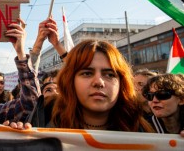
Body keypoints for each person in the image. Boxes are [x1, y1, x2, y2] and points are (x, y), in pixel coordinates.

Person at [26, 39, 154, 132]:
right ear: (70, 81)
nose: (98, 82)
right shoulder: (41, 119)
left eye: (109, 75)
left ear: (122, 83)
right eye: (87, 73)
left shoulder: (145, 133)